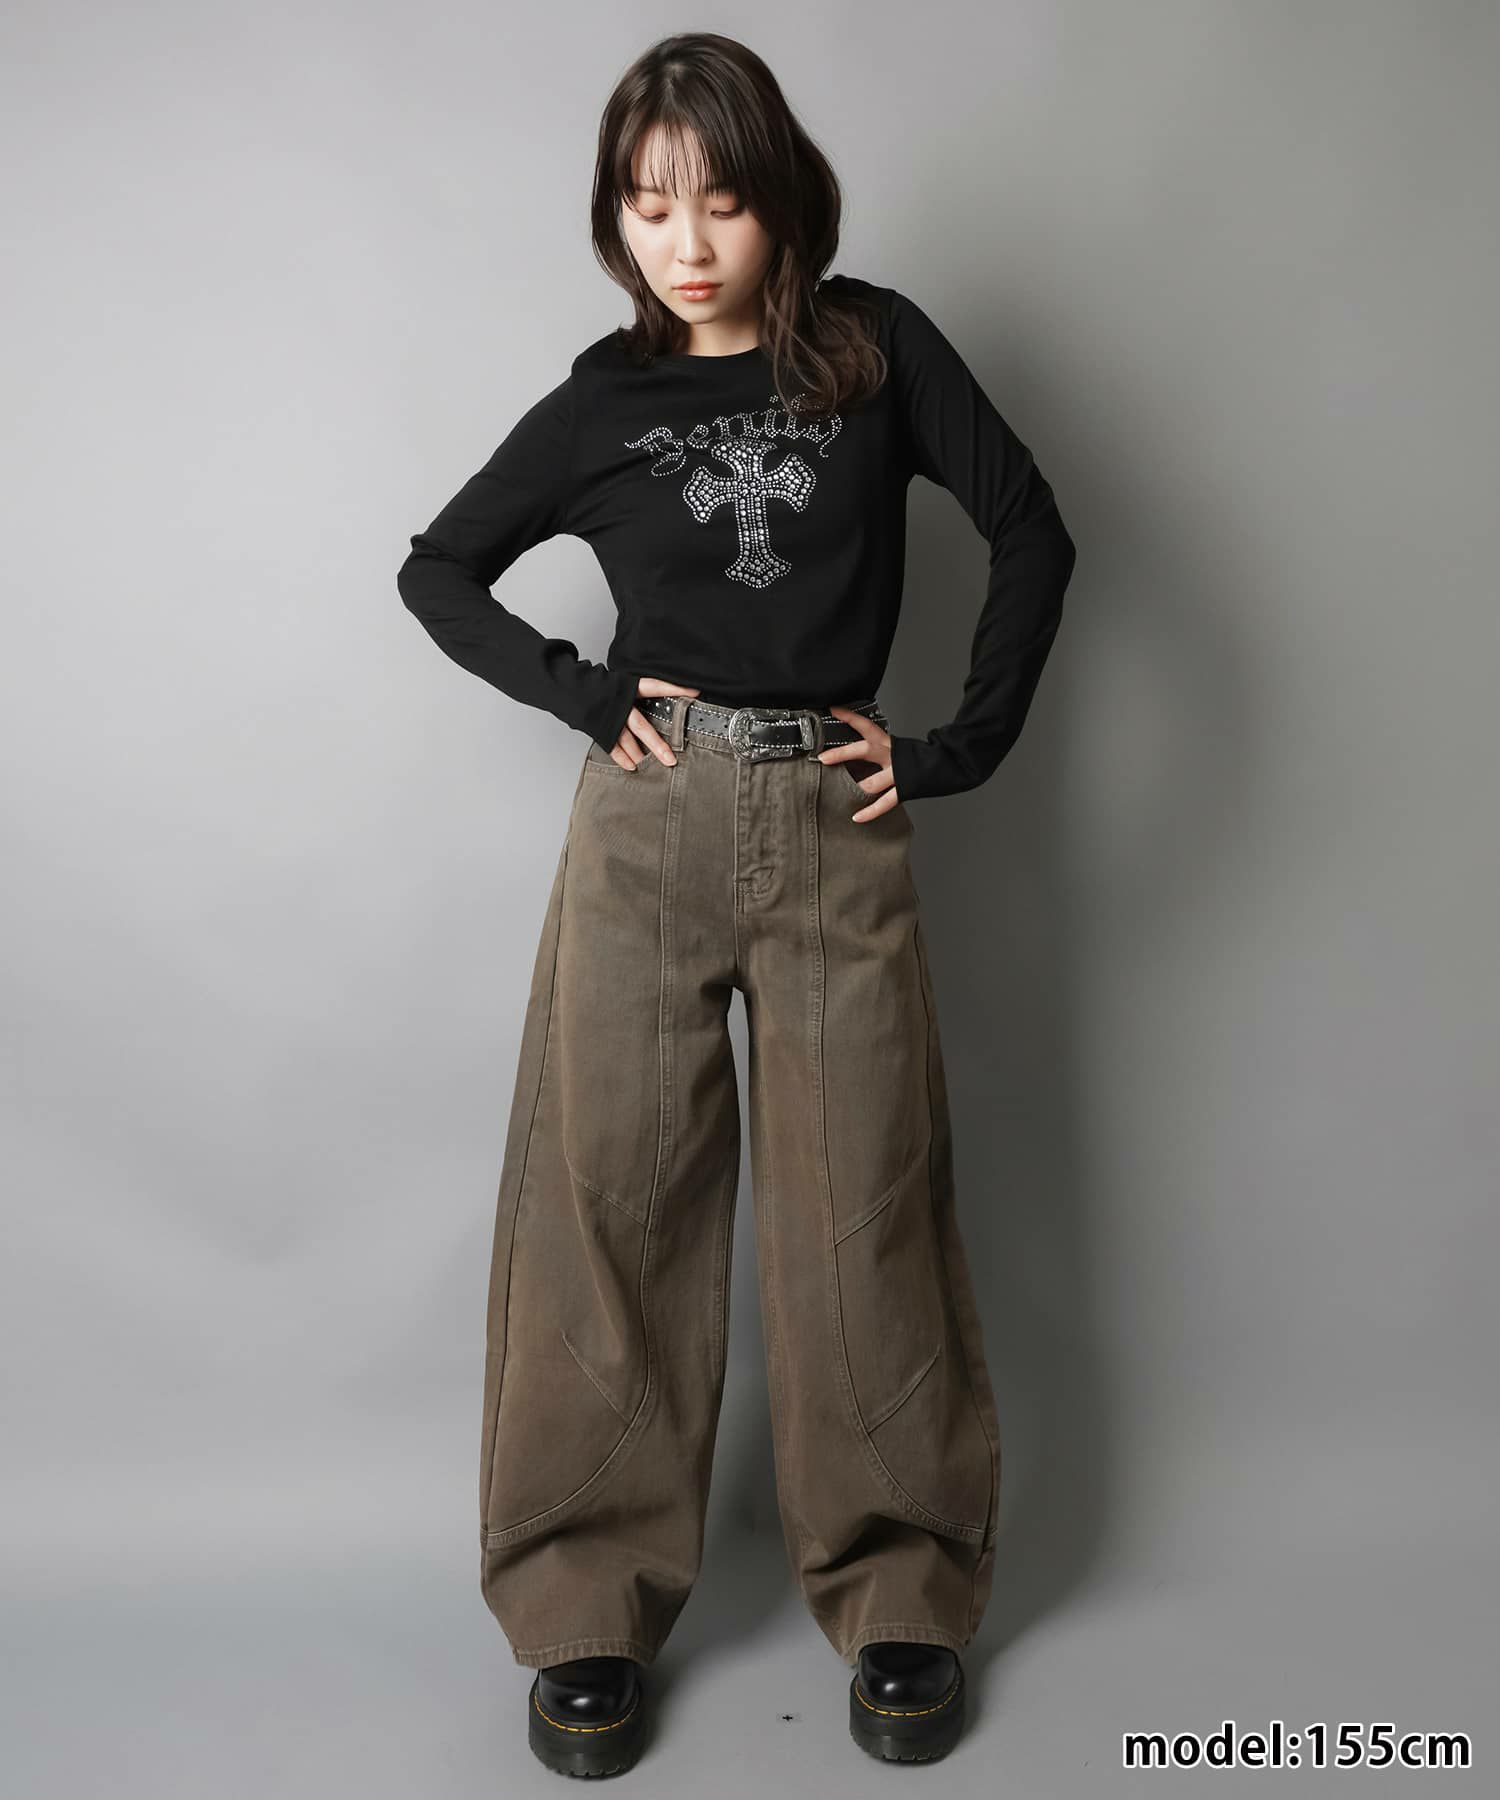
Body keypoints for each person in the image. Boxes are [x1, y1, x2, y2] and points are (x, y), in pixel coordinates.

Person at [396, 30, 1077, 1776]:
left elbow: (1032, 528)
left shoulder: (875, 350)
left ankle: (903, 1588)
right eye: (648, 204)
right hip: (649, 828)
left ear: (782, 201)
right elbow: (439, 567)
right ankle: (584, 1605)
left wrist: (957, 747)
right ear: (615, 218)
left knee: (864, 1208)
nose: (684, 241)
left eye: (718, 199)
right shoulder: (602, 402)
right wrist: (578, 693)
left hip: (836, 820)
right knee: (611, 1206)